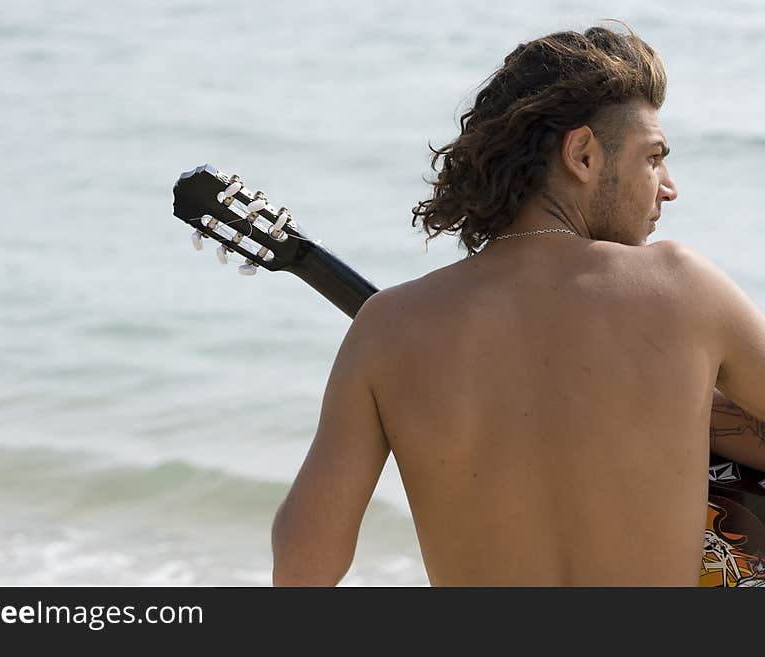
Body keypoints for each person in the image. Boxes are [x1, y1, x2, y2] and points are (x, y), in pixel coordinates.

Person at [270, 22, 765, 586]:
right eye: (653, 158)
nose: (668, 186)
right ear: (582, 154)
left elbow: (302, 562)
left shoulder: (384, 328)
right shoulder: (683, 287)